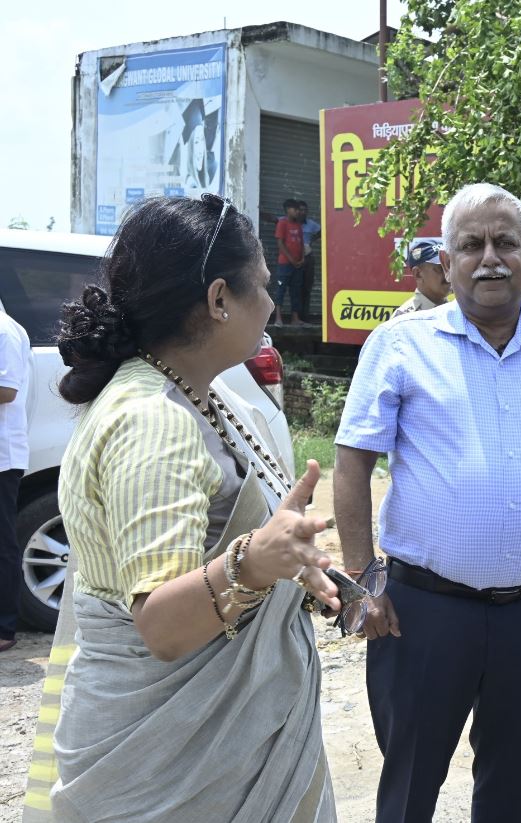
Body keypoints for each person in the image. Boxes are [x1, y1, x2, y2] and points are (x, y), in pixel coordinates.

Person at [29, 195, 343, 822]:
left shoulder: (202, 397)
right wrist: (256, 563)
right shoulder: (155, 423)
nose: (275, 302)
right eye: (265, 284)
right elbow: (163, 628)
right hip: (175, 767)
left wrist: (291, 565)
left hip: (213, 749)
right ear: (220, 298)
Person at [333, 182, 521, 823]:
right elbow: (352, 461)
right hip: (422, 613)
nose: (489, 258)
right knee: (410, 783)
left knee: (511, 779)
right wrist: (362, 581)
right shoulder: (401, 345)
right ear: (446, 261)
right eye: (471, 245)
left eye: (505, 243)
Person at [0, 308, 30, 654]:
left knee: (2, 544)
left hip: (3, 458)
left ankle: (4, 626)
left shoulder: (5, 331)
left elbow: (6, 390)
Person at [390, 239, 451, 317]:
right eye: (440, 268)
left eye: (449, 266)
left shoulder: (458, 311)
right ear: (418, 274)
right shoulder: (405, 318)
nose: (447, 273)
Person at [273, 198, 305, 326]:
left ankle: (295, 318)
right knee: (281, 289)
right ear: (288, 210)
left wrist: (302, 258)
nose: (298, 212)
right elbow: (280, 243)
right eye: (295, 209)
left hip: (297, 265)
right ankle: (278, 318)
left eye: (298, 209)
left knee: (295, 291)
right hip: (285, 264)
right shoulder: (282, 223)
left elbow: (302, 243)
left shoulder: (298, 225)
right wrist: (291, 259)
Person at [297, 199, 322, 323]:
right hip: (294, 258)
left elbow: (322, 230)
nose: (302, 212)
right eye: (300, 210)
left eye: (304, 210)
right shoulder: (290, 222)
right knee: (296, 287)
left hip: (307, 257)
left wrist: (312, 239)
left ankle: (304, 316)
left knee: (307, 287)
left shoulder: (311, 224)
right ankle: (295, 317)